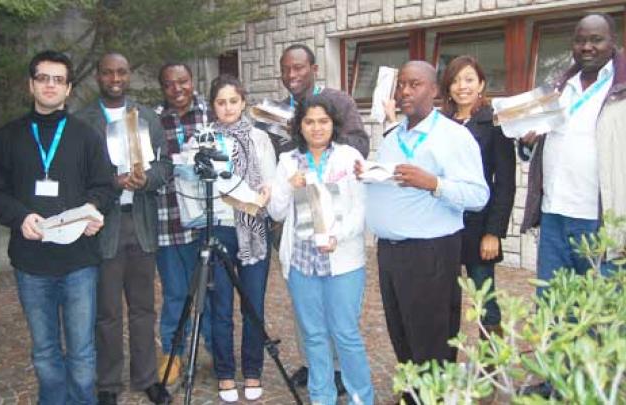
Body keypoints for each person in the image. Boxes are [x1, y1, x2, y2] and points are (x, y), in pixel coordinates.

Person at [0, 50, 115, 405]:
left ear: (69, 88)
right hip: (31, 264)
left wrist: (92, 209)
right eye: (43, 78)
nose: (50, 85)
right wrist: (19, 217)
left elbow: (104, 186)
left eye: (58, 79)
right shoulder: (7, 137)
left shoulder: (86, 136)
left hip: (78, 263)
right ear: (31, 84)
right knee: (44, 352)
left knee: (82, 352)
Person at [357, 60, 488, 401]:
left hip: (430, 253)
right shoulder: (393, 136)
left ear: (434, 91)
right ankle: (415, 394)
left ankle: (435, 397)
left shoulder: (454, 137)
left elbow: (478, 195)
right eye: (401, 84)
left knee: (431, 337)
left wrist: (434, 184)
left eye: (415, 85)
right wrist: (368, 173)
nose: (404, 91)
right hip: (390, 252)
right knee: (401, 333)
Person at [75, 53, 172, 405]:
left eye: (121, 72)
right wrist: (111, 182)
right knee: (107, 312)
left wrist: (147, 179)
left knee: (144, 308)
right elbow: (77, 176)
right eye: (107, 73)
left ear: (129, 75)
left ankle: (147, 378)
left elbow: (165, 167)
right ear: (98, 77)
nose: (115, 78)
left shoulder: (146, 116)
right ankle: (108, 385)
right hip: (104, 227)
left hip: (142, 223)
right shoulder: (83, 121)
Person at [269, 95, 374, 405]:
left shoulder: (349, 156)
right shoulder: (288, 160)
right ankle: (322, 398)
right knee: (314, 336)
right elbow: (276, 212)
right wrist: (289, 184)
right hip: (302, 262)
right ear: (299, 125)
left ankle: (361, 399)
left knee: (345, 335)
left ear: (334, 124)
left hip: (342, 260)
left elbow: (360, 210)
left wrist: (337, 236)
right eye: (309, 121)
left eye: (323, 121)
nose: (317, 128)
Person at [521, 13, 625, 286]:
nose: (587, 47)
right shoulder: (559, 87)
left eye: (596, 40)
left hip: (599, 221)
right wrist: (527, 144)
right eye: (580, 41)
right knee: (553, 308)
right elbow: (539, 144)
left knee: (598, 314)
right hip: (553, 216)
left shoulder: (621, 89)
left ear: (613, 41)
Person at [202, 74, 276, 402]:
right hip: (219, 229)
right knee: (220, 307)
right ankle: (224, 372)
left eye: (233, 100)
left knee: (253, 305)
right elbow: (198, 185)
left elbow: (269, 184)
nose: (228, 107)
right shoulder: (204, 138)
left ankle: (252, 370)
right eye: (221, 102)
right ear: (213, 106)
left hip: (253, 229)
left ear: (243, 101)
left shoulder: (260, 138)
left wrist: (256, 199)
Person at [440, 55, 516, 336]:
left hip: (479, 226)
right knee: (445, 299)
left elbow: (505, 183)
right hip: (443, 224)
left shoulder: (494, 124)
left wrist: (493, 232)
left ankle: (492, 368)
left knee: (485, 300)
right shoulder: (440, 124)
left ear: (481, 84)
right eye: (456, 80)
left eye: (469, 79)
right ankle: (443, 366)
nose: (462, 86)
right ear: (447, 87)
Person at [153, 62, 213, 383]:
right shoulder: (152, 120)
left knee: (213, 291)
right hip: (169, 222)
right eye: (169, 84)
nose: (177, 89)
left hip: (209, 221)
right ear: (161, 88)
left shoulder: (211, 113)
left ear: (192, 81)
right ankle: (173, 352)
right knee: (176, 292)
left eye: (183, 82)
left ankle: (217, 350)